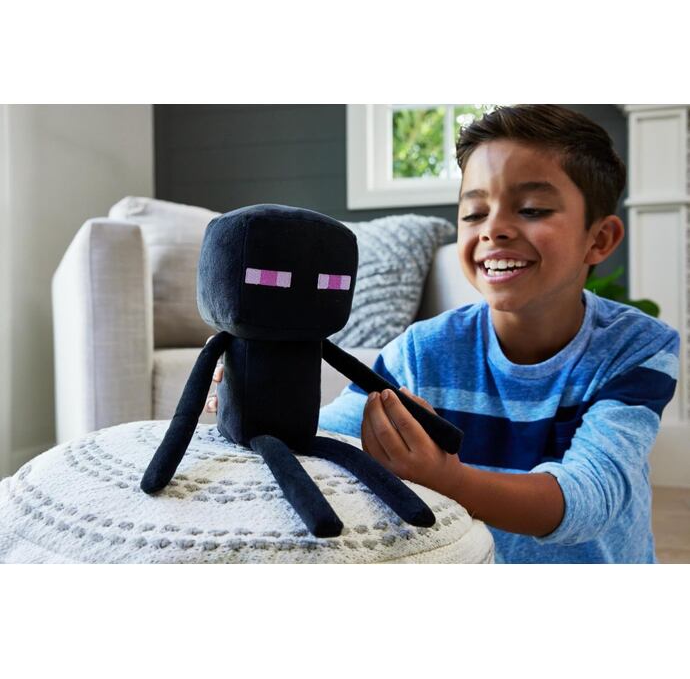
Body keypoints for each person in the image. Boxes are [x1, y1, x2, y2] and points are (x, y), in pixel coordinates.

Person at [206, 105, 679, 563]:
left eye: (532, 209)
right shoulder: (421, 351)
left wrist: (449, 479)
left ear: (599, 239)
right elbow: (322, 435)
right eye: (474, 213)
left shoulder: (637, 347)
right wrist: (257, 397)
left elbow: (590, 499)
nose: (494, 229)